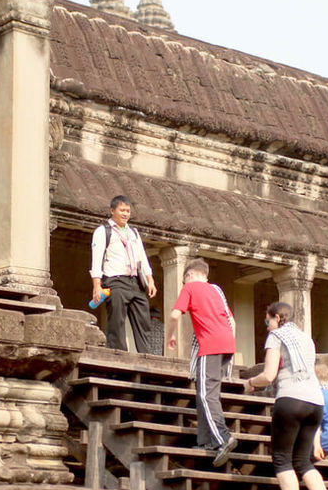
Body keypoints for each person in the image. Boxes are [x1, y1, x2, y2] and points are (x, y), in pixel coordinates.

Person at [244, 302, 328, 490]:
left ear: (277, 318)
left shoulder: (277, 336)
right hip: (316, 402)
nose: (267, 327)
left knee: (281, 459)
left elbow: (269, 375)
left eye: (268, 322)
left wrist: (250, 383)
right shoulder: (306, 338)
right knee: (302, 460)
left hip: (291, 399)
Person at [165, 258, 238, 466]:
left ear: (188, 276)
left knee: (206, 394)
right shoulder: (217, 291)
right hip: (227, 345)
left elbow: (174, 315)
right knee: (206, 392)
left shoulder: (190, 288)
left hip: (210, 346)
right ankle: (206, 440)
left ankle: (223, 437)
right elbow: (232, 321)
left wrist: (170, 336)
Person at [90, 195, 157, 352]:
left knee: (143, 319)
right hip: (115, 280)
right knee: (117, 320)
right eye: (122, 210)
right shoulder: (103, 231)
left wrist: (150, 279)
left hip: (134, 281)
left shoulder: (133, 232)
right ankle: (118, 354)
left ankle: (146, 355)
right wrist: (97, 286)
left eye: (128, 211)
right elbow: (97, 259)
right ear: (112, 211)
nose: (125, 214)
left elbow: (142, 257)